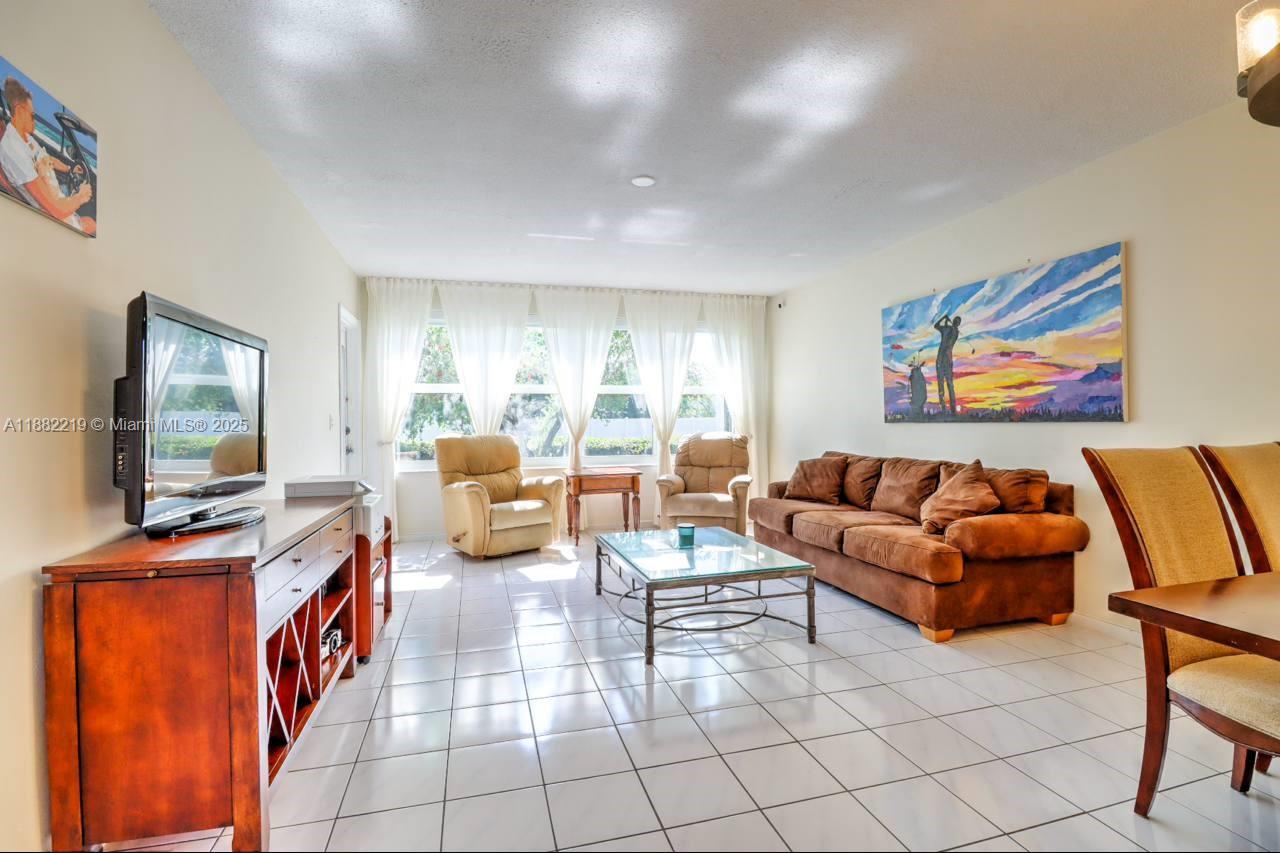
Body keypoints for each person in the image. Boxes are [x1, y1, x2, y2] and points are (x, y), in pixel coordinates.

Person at [1, 76, 95, 235]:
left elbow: (47, 159)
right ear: (19, 110)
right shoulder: (12, 149)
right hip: (52, 214)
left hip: (56, 195)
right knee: (92, 224)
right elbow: (56, 210)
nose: (35, 121)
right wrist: (81, 196)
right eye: (32, 115)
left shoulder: (25, 138)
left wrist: (70, 169)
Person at [933, 313, 962, 416]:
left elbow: (950, 341)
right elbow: (936, 326)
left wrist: (945, 322)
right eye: (955, 321)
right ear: (953, 321)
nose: (956, 323)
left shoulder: (954, 332)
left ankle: (953, 410)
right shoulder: (947, 329)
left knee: (950, 384)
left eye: (958, 322)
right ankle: (943, 409)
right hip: (940, 360)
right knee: (941, 385)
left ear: (958, 324)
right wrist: (943, 318)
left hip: (947, 361)